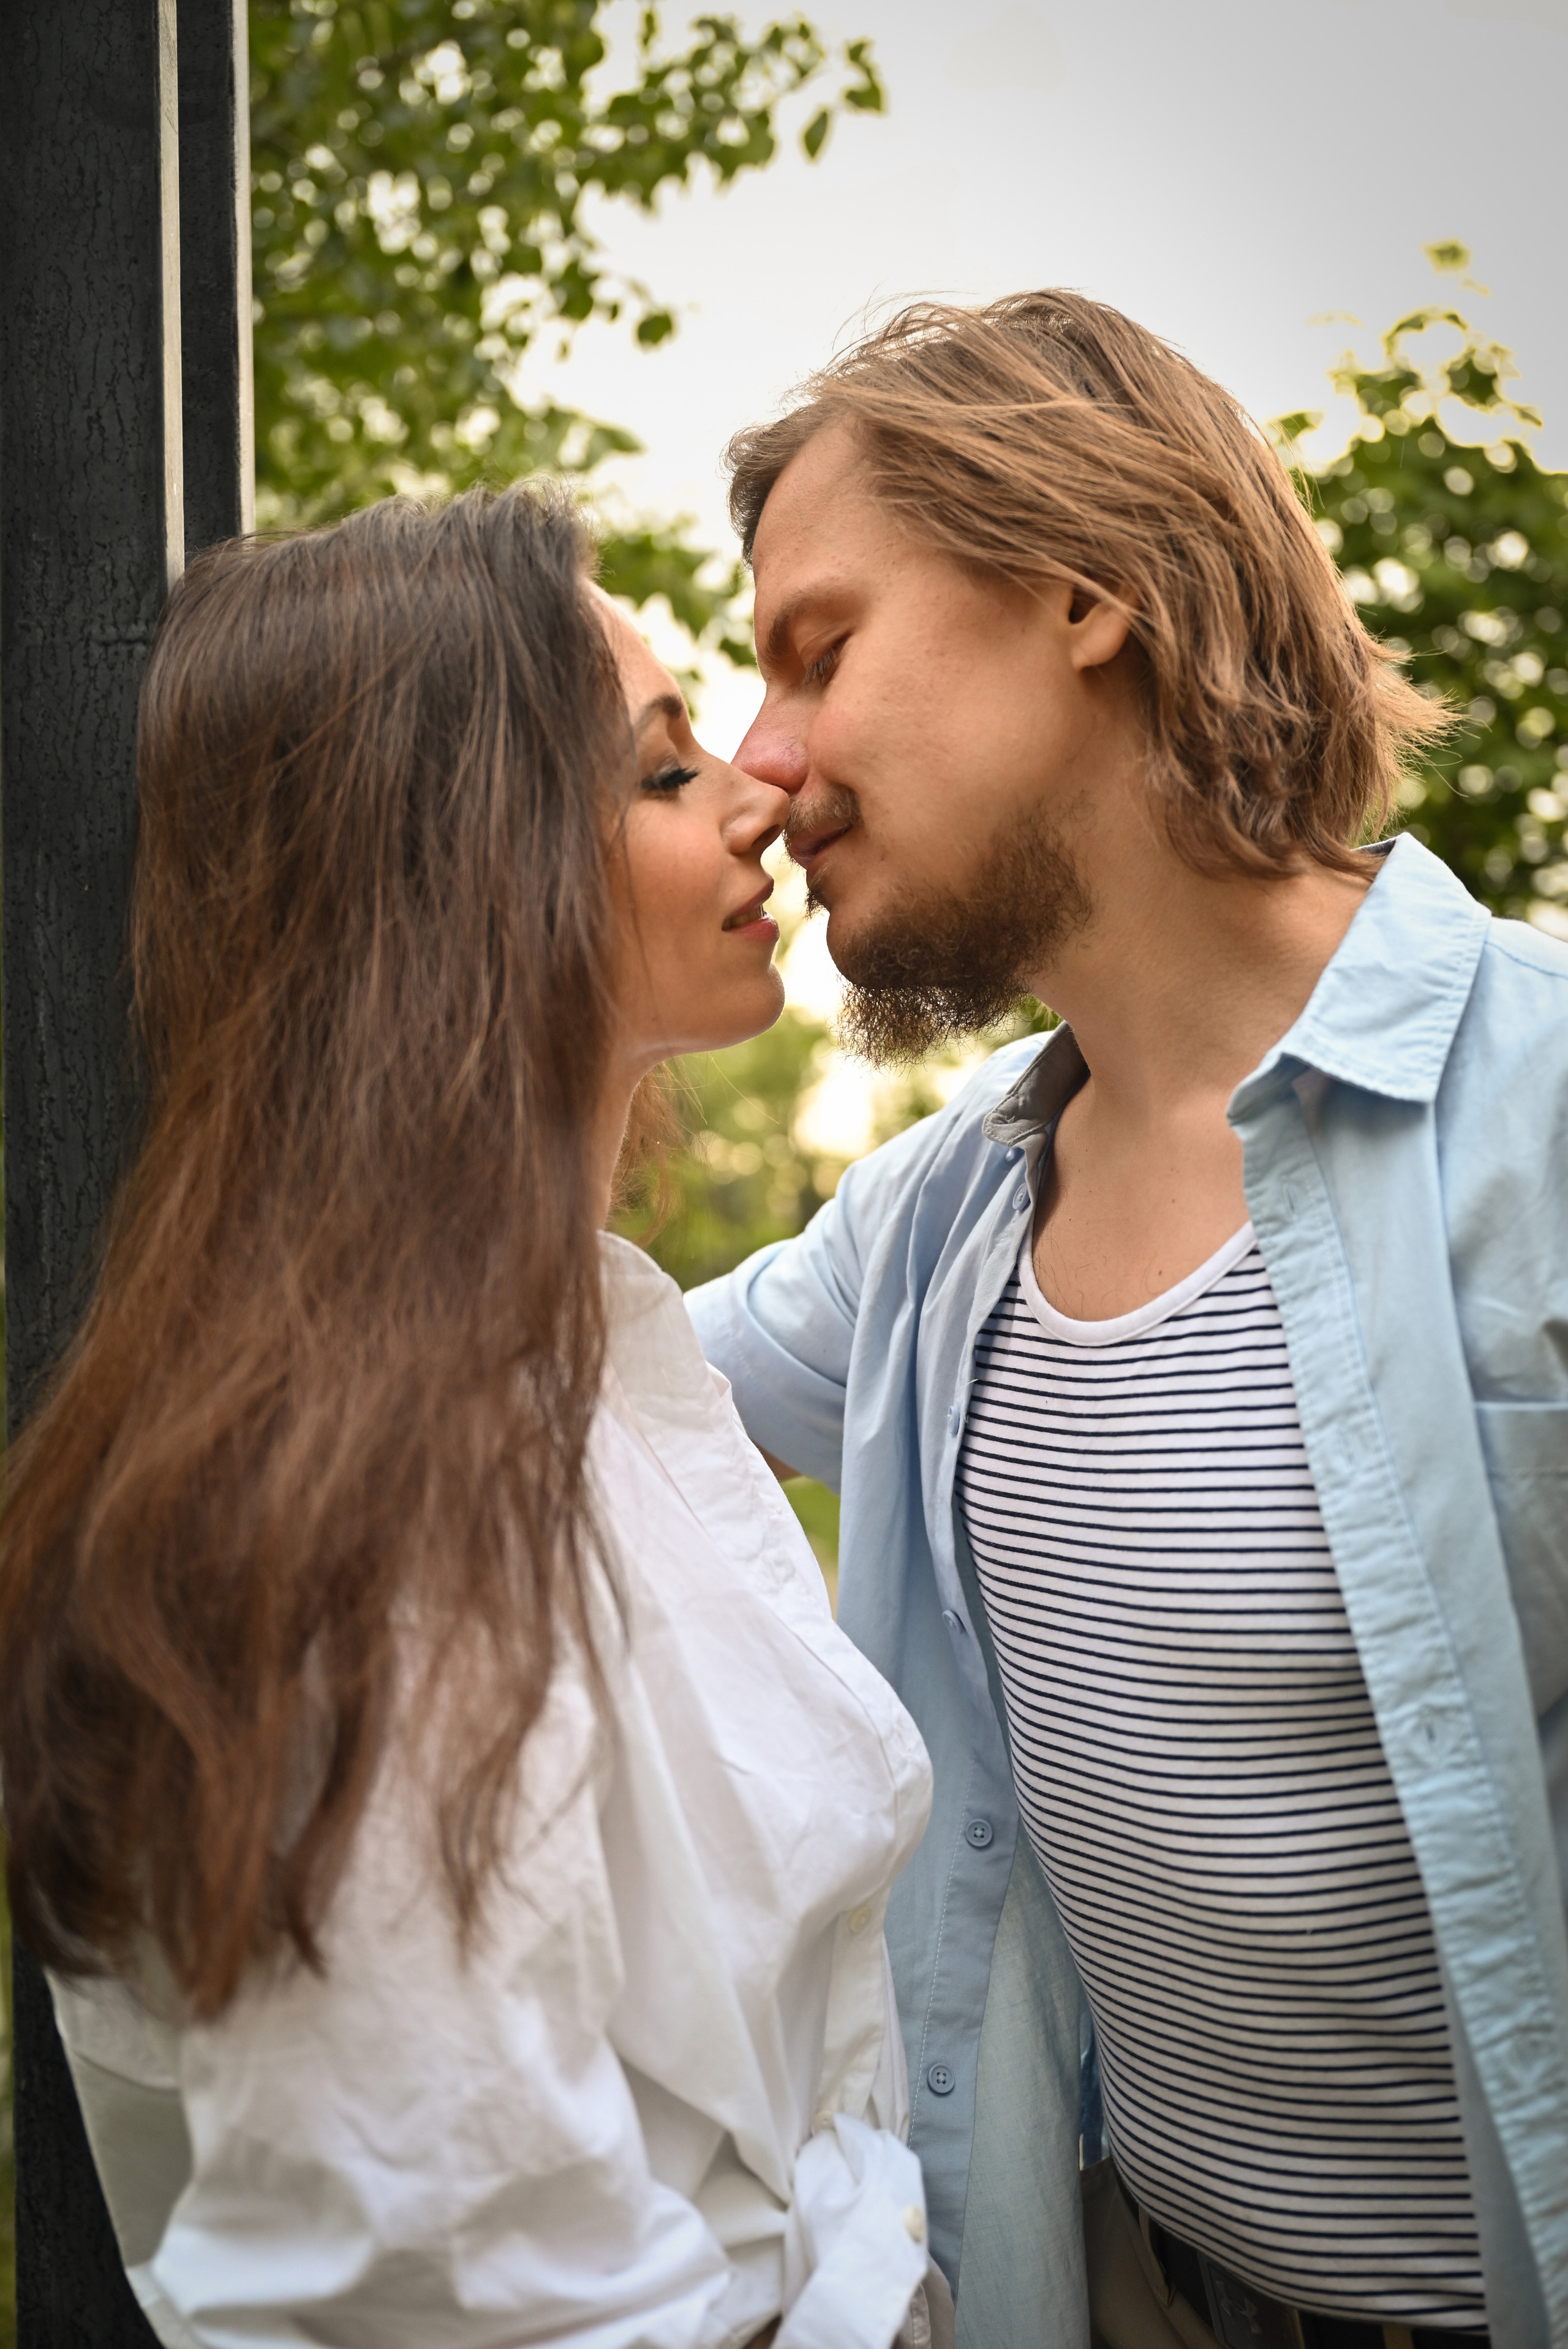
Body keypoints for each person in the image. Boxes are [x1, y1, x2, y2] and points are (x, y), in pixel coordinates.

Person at [686, 293, 1568, 2349]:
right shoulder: (926, 1234)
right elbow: (515, 1387)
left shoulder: (1548, 1113)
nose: (768, 761)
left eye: (820, 647)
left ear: (1084, 586)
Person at [0, 485, 954, 2349]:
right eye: (663, 772)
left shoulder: (592, 1357)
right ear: (468, 865)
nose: (764, 789)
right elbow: (466, 2290)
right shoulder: (359, 1516)